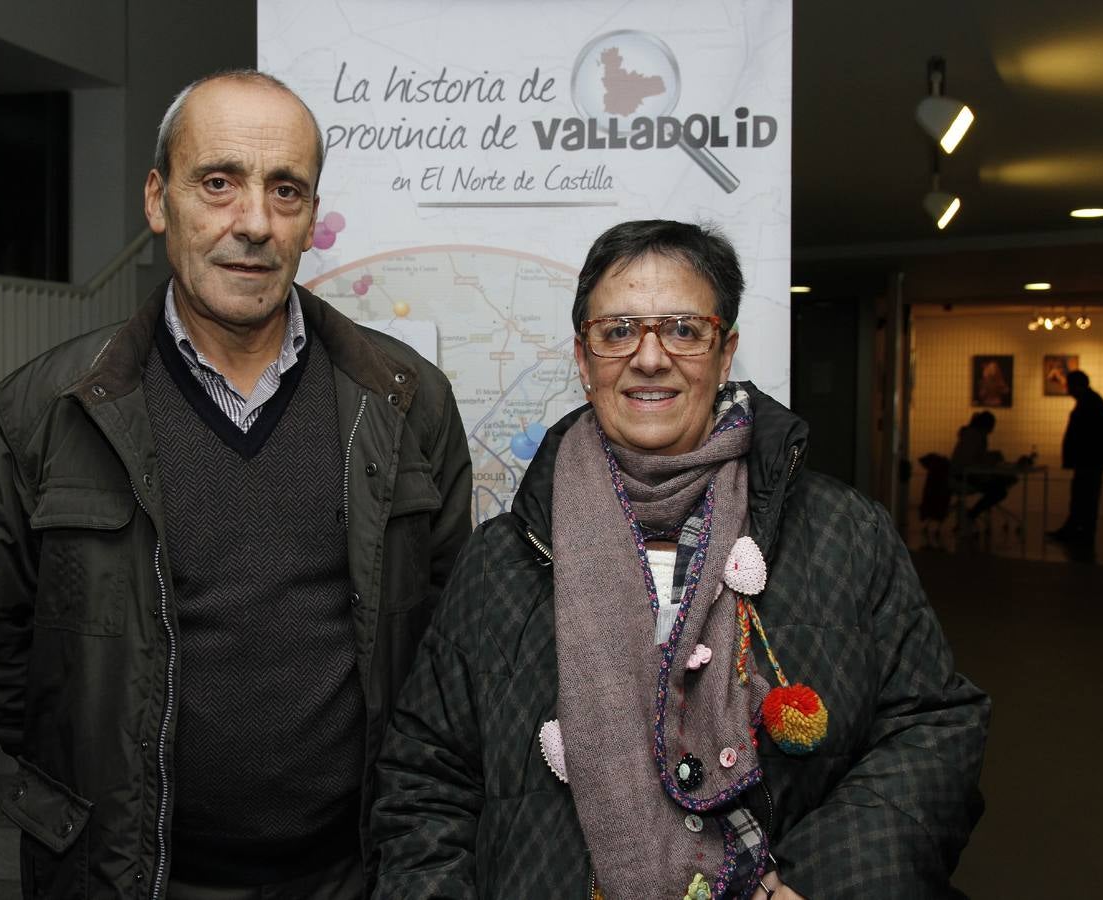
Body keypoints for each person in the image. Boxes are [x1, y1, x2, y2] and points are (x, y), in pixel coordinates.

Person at [0, 70, 472, 900]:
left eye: (284, 191)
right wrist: (90, 759)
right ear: (159, 200)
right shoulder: (43, 409)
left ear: (311, 217)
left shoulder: (408, 401)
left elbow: (439, 629)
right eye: (218, 183)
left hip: (354, 876)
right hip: (131, 876)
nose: (252, 223)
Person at [371, 220, 989, 898]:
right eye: (618, 331)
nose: (650, 357)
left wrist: (831, 878)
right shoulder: (500, 564)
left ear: (726, 355)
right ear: (584, 359)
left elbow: (935, 724)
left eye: (684, 329)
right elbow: (425, 781)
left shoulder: (845, 532)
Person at [1048, 369, 1103, 546]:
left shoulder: (1088, 403)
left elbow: (1086, 435)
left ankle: (1079, 531)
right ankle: (1080, 530)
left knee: (1084, 496)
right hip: (1091, 460)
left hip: (1089, 460)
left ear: (1076, 386)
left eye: (1069, 385)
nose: (1066, 389)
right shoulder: (1091, 401)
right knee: (1085, 496)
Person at [949, 411, 1014, 527]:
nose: (992, 430)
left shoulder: (971, 434)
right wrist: (991, 459)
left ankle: (972, 514)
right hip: (964, 476)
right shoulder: (976, 436)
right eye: (991, 427)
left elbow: (974, 457)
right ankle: (971, 515)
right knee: (999, 490)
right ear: (986, 425)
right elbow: (971, 461)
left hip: (963, 474)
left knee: (998, 486)